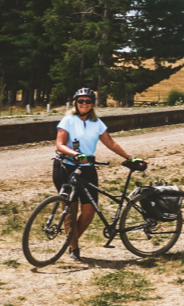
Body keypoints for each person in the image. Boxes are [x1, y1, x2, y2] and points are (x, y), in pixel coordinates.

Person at [54, 87, 145, 261]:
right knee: (70, 210)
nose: (84, 104)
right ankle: (74, 248)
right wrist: (75, 154)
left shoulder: (97, 123)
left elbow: (110, 142)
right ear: (76, 103)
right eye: (81, 101)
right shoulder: (68, 120)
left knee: (89, 211)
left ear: (93, 104)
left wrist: (129, 157)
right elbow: (60, 144)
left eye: (88, 101)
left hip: (87, 167)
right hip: (66, 167)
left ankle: (68, 242)